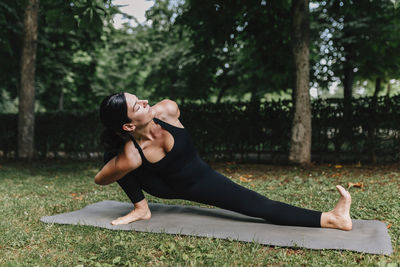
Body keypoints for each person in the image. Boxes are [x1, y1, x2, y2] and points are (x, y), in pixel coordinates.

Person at [94, 92, 352, 231]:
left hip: (198, 176)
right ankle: (141, 209)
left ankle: (332, 218)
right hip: (167, 186)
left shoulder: (167, 110)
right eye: (137, 106)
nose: (145, 101)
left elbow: (162, 113)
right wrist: (126, 165)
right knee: (114, 159)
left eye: (138, 97)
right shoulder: (132, 154)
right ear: (128, 124)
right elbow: (101, 178)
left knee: (255, 203)